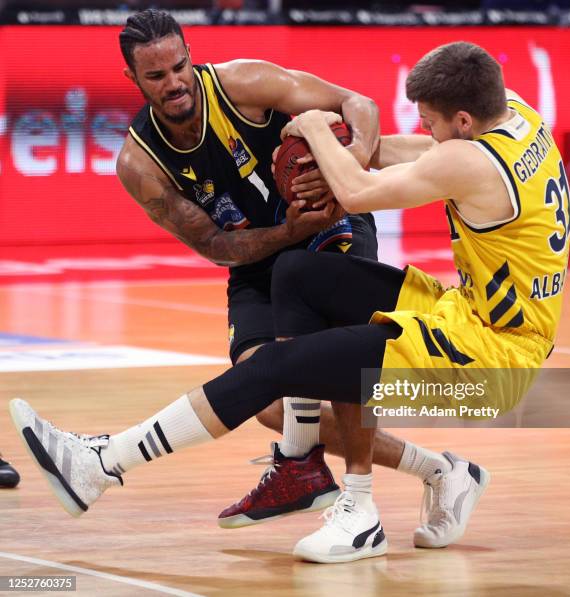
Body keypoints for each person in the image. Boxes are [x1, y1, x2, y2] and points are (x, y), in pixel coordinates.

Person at [10, 40, 570, 563]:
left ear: (465, 120)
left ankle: (103, 464)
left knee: (272, 369)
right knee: (300, 273)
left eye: (430, 118)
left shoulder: (470, 162)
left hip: (489, 361)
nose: (424, 127)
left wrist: (314, 131)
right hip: (470, 316)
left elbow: (358, 193)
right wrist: (352, 143)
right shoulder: (517, 116)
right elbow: (421, 152)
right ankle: (306, 469)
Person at [113, 8, 439, 530]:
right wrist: (287, 232)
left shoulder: (244, 82)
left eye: (179, 66)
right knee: (261, 392)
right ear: (134, 79)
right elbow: (216, 244)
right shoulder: (140, 163)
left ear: (190, 55)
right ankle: (431, 469)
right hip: (261, 252)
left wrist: (351, 160)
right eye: (156, 76)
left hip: (333, 222)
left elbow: (359, 103)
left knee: (338, 359)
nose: (174, 83)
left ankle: (358, 501)